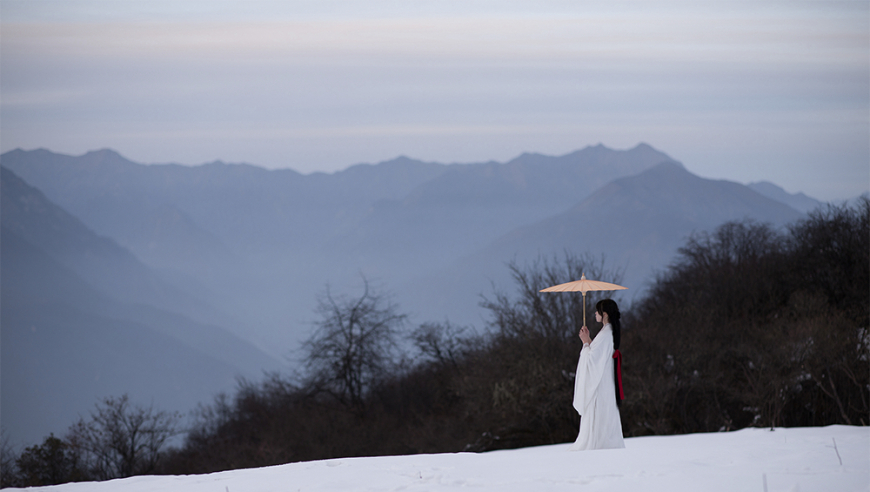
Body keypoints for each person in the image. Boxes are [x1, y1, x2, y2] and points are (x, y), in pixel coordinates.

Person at [569, 298, 625, 450]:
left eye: (597, 311)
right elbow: (599, 354)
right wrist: (588, 341)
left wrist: (586, 342)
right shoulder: (609, 332)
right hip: (606, 381)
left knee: (598, 412)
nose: (595, 314)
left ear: (604, 314)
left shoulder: (607, 333)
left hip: (601, 383)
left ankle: (598, 444)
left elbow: (593, 359)